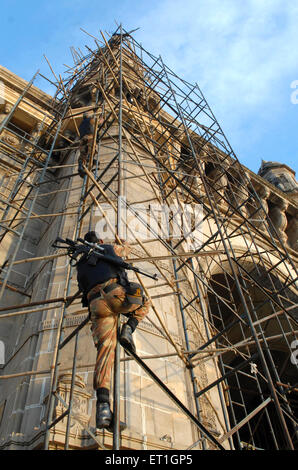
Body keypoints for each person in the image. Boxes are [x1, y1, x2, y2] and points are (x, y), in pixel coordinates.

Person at [76, 231, 150, 430]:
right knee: (145, 302)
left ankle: (103, 408)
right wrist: (121, 242)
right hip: (115, 295)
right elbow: (126, 250)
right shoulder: (107, 249)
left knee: (105, 352)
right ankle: (128, 330)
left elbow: (82, 288)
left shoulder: (80, 266)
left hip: (96, 306)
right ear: (99, 241)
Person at [77, 113, 95, 178]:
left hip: (82, 139)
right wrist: (101, 119)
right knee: (92, 148)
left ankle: (80, 167)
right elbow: (96, 122)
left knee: (83, 153)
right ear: (87, 116)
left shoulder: (81, 125)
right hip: (89, 137)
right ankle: (89, 160)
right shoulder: (89, 120)